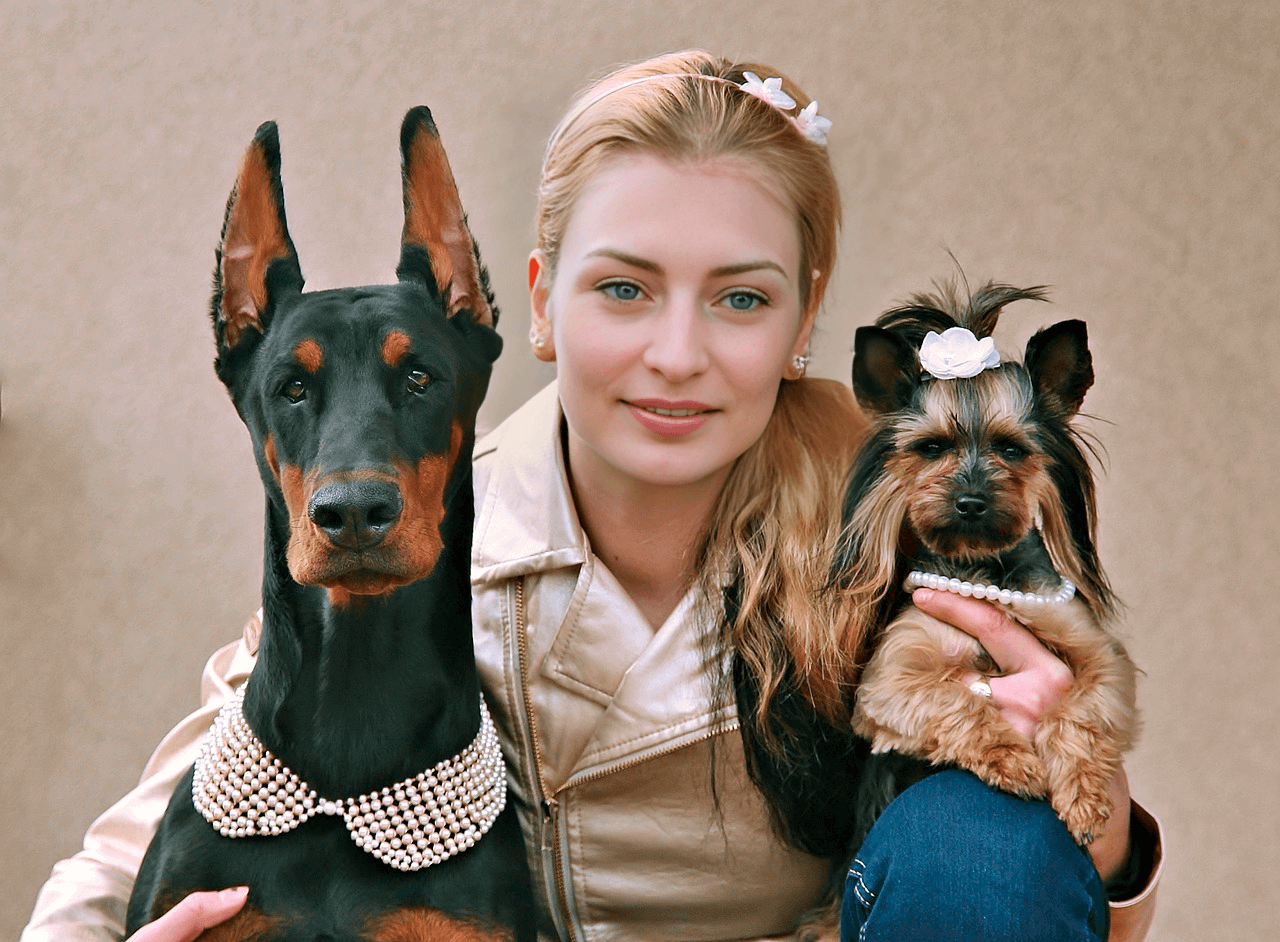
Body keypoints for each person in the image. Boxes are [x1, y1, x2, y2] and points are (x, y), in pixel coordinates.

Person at [22, 50, 1160, 942]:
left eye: (738, 299)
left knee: (982, 846)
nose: (676, 353)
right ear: (536, 302)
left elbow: (1029, 873)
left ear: (804, 317)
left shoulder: (897, 528)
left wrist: (1088, 811)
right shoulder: (418, 541)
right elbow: (175, 819)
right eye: (622, 287)